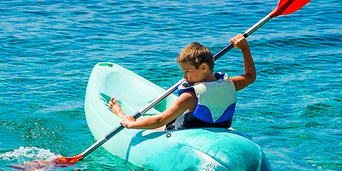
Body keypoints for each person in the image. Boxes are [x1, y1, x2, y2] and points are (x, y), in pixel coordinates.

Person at [108, 33, 256, 130]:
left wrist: (130, 125)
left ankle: (125, 118)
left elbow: (160, 120)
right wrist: (244, 48)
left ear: (204, 67)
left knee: (155, 122)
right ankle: (122, 116)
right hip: (201, 129)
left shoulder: (190, 96)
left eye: (187, 71)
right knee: (152, 120)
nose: (184, 77)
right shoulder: (230, 84)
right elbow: (250, 76)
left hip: (180, 130)